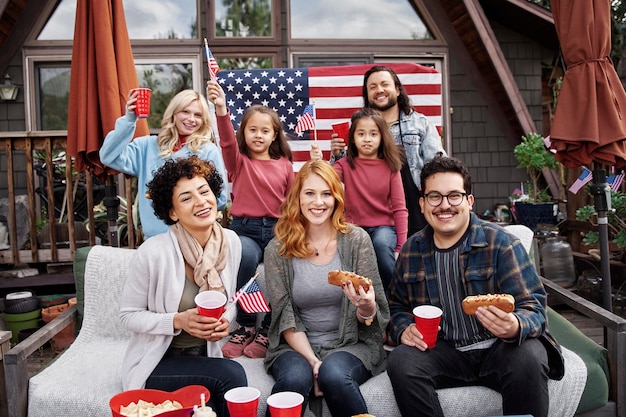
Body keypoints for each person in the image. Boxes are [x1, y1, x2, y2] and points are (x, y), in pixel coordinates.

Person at [385, 156, 564, 417]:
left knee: (528, 355)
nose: (444, 205)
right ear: (422, 204)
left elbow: (534, 307)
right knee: (402, 360)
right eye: (434, 196)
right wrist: (404, 330)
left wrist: (514, 325)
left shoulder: (501, 244)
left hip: (500, 348)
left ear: (469, 201)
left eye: (454, 196)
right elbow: (397, 307)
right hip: (444, 351)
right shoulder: (412, 250)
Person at [119, 156, 247, 417]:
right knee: (232, 375)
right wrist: (177, 320)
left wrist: (226, 320)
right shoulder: (153, 253)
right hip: (159, 362)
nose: (201, 202)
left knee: (207, 409)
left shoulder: (230, 242)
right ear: (173, 211)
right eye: (187, 198)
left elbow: (230, 302)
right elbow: (127, 316)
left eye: (204, 191)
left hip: (203, 358)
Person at [263, 160, 390, 417]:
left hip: (352, 343)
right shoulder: (277, 250)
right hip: (295, 348)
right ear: (297, 197)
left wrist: (366, 307)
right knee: (293, 381)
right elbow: (285, 316)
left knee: (333, 374)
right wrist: (312, 361)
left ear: (337, 198)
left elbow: (372, 316)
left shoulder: (357, 241)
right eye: (309, 193)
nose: (318, 202)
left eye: (326, 194)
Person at [207, 80, 294, 359]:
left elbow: (293, 203)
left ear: (274, 135)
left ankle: (268, 329)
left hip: (278, 228)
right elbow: (226, 141)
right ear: (244, 133)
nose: (258, 135)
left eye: (264, 130)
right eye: (252, 129)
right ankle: (245, 325)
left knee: (281, 259)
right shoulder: (239, 161)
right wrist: (221, 109)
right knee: (245, 256)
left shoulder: (285, 165)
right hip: (244, 228)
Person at [330, 65, 446, 236]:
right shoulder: (356, 129)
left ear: (397, 90)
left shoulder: (421, 124)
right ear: (367, 95)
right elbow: (341, 174)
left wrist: (435, 201)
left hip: (415, 209)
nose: (379, 90)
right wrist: (337, 153)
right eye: (373, 87)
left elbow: (438, 167)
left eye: (385, 84)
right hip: (372, 216)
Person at [100, 89, 228, 238]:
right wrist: (129, 120)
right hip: (155, 240)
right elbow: (108, 156)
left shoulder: (207, 151)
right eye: (185, 112)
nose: (191, 119)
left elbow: (220, 200)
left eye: (198, 115)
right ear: (173, 113)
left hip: (194, 238)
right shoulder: (146, 146)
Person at [311, 107, 407, 289]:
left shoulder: (391, 168)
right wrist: (318, 161)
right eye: (361, 133)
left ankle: (395, 296)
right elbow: (323, 179)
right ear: (352, 138)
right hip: (354, 226)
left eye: (373, 134)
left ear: (382, 137)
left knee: (380, 243)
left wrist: (400, 247)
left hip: (383, 228)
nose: (367, 139)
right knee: (349, 249)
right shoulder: (345, 164)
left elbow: (400, 208)